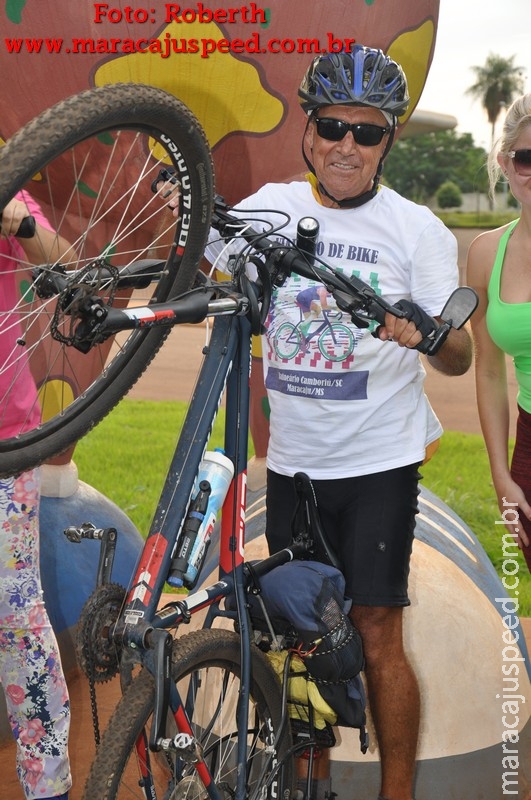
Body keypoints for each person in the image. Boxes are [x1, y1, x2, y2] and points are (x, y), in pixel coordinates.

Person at [196, 45, 472, 800]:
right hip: (293, 466)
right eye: (332, 126)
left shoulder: (417, 231)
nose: (347, 145)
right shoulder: (272, 208)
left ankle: (395, 793)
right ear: (308, 129)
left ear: (388, 141)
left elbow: (459, 356)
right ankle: (306, 784)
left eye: (368, 131)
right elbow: (198, 260)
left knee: (377, 634)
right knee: (300, 639)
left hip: (378, 463)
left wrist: (426, 333)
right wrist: (175, 193)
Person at [0, 193, 72, 799]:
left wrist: (19, 224)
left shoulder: (5, 172)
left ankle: (47, 787)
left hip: (6, 440)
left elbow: (64, 261)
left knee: (17, 617)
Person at [467, 93, 531, 574]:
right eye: (528, 159)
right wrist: (500, 474)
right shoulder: (487, 253)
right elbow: (488, 372)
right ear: (506, 163)